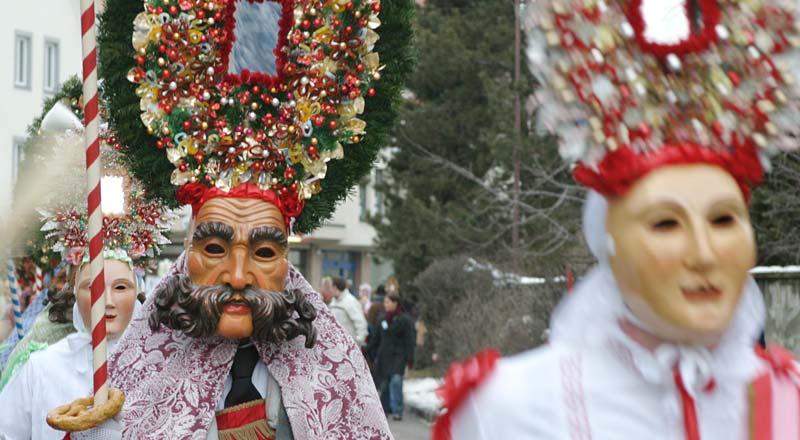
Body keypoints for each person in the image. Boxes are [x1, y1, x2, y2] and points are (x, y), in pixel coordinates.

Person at [434, 1, 800, 438]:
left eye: (723, 220)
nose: (704, 254)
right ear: (609, 242)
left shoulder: (788, 396)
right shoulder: (511, 408)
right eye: (666, 224)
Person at [92, 0, 413, 437]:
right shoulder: (134, 379)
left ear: (285, 261)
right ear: (187, 254)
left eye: (263, 251)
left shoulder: (336, 380)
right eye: (215, 249)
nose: (239, 276)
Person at [368, 293, 415, 421]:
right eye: (385, 302)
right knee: (384, 384)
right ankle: (384, 409)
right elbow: (375, 339)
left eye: (388, 302)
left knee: (396, 381)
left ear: (395, 303)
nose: (386, 305)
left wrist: (410, 360)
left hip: (399, 355)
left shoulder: (405, 320)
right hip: (384, 356)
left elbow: (409, 340)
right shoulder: (381, 319)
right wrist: (367, 351)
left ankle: (397, 410)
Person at [330, 276, 369, 346]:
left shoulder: (350, 301)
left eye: (330, 287)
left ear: (335, 287)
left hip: (350, 346)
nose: (329, 290)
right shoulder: (333, 302)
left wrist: (357, 342)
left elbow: (361, 323)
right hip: (337, 345)